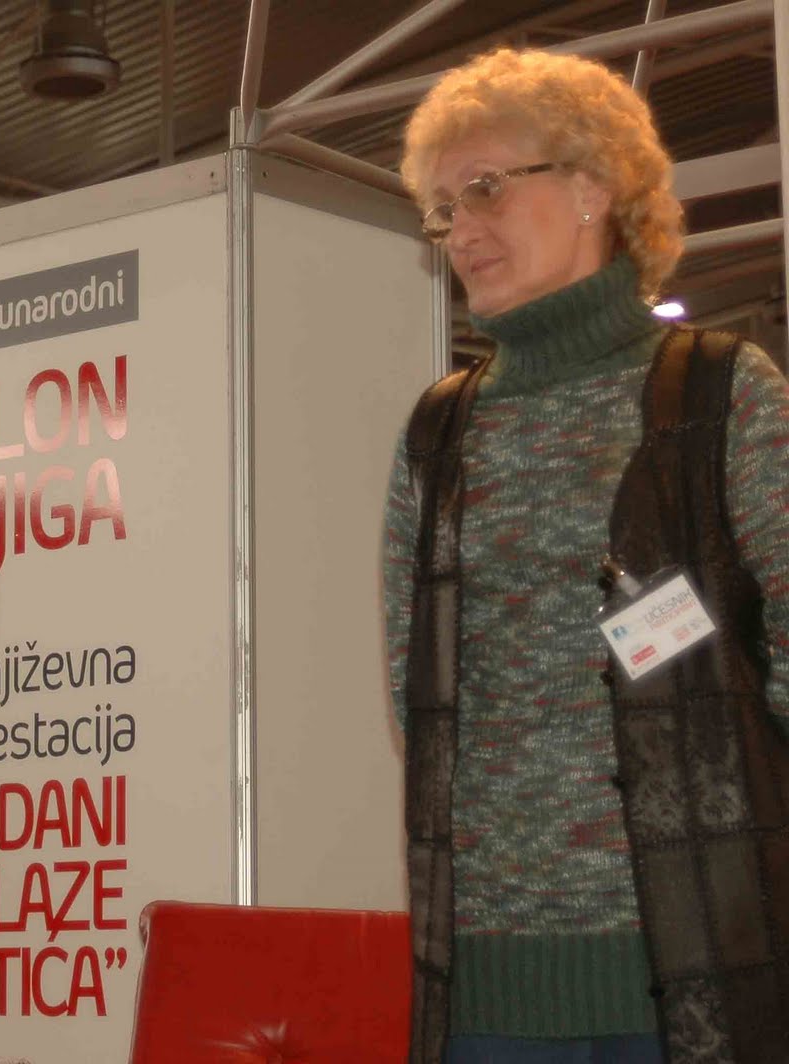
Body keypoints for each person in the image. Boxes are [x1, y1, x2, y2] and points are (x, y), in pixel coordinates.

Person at [383, 48, 789, 1063]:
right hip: (486, 989)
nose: (459, 230)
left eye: (485, 188)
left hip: (702, 959)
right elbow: (414, 691)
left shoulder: (724, 392)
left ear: (591, 189)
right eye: (442, 208)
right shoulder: (436, 432)